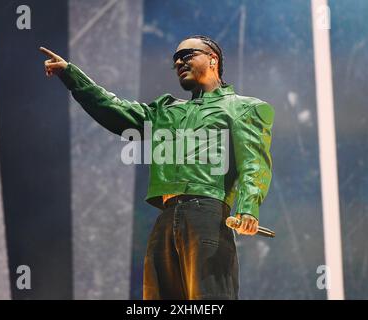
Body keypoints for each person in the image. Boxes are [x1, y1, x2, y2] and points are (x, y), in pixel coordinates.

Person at [40, 35, 275, 300]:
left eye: (187, 55)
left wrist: (248, 207)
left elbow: (254, 163)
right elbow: (113, 108)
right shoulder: (165, 111)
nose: (178, 62)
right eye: (175, 60)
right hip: (166, 215)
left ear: (212, 59)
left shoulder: (244, 108)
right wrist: (72, 76)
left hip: (207, 213)